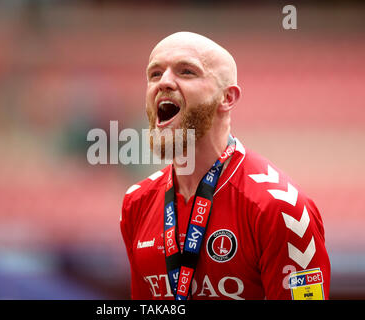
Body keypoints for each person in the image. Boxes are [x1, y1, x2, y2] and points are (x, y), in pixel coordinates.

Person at [120, 32, 330, 300]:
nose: (164, 82)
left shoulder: (280, 208)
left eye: (186, 72)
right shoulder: (136, 202)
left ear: (227, 98)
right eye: (155, 74)